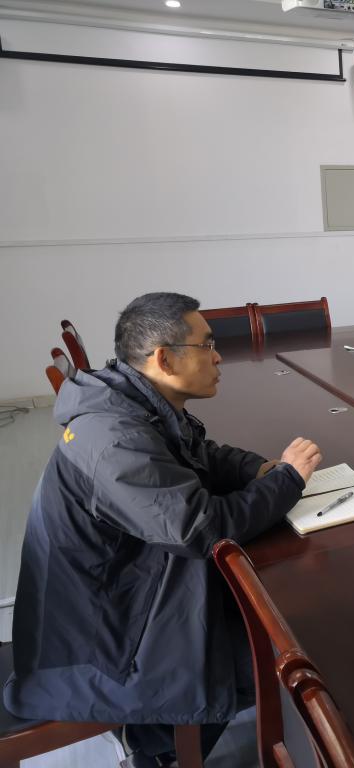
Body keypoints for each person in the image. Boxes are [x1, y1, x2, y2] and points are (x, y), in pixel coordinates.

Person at [3, 293, 322, 766]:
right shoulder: (114, 438)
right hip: (100, 643)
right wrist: (288, 481)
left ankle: (162, 738)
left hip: (121, 594)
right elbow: (203, 529)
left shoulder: (133, 400)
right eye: (207, 345)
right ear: (164, 359)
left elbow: (198, 452)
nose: (218, 357)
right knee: (270, 654)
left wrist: (256, 469)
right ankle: (159, 751)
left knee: (263, 621)